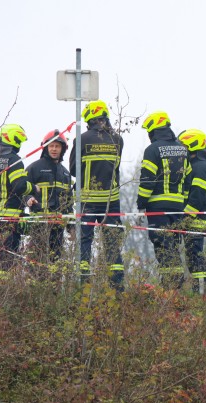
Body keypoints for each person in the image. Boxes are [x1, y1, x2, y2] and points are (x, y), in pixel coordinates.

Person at [69, 100, 125, 292]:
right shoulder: (118, 139)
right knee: (112, 243)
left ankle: (83, 284)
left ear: (89, 118)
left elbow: (74, 170)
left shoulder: (81, 139)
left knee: (85, 241)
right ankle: (117, 286)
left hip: (88, 200)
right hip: (112, 200)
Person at [138, 111, 191, 289]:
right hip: (177, 208)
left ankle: (170, 286)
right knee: (174, 245)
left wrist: (141, 204)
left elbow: (147, 180)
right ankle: (175, 285)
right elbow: (187, 181)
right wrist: (182, 204)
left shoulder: (152, 150)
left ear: (153, 130)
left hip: (158, 207)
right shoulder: (183, 149)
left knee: (162, 245)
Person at [0, 124, 37, 279]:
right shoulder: (14, 159)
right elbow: (19, 186)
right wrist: (33, 187)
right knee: (8, 255)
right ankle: (3, 288)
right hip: (10, 215)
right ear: (14, 138)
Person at [25, 129, 72, 266]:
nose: (54, 149)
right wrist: (28, 199)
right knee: (36, 260)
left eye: (57, 146)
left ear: (63, 149)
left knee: (56, 262)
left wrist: (71, 227)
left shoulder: (66, 173)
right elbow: (22, 190)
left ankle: (54, 287)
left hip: (58, 226)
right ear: (45, 147)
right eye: (51, 146)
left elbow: (69, 201)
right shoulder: (34, 168)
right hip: (39, 224)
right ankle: (35, 286)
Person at [178, 129, 206, 294]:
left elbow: (198, 197)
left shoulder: (200, 167)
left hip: (196, 220)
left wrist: (185, 217)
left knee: (195, 257)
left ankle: (201, 294)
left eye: (183, 146)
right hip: (193, 220)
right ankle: (198, 291)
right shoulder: (194, 165)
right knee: (192, 257)